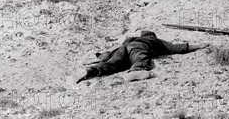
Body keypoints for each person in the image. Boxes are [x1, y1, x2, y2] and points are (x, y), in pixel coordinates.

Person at [76, 31, 207, 83]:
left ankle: (91, 71)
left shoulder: (128, 41)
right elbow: (177, 48)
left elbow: (110, 53)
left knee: (113, 63)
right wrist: (199, 45)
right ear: (151, 36)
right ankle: (136, 71)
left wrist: (98, 59)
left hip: (122, 50)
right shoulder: (153, 41)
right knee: (140, 60)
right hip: (138, 49)